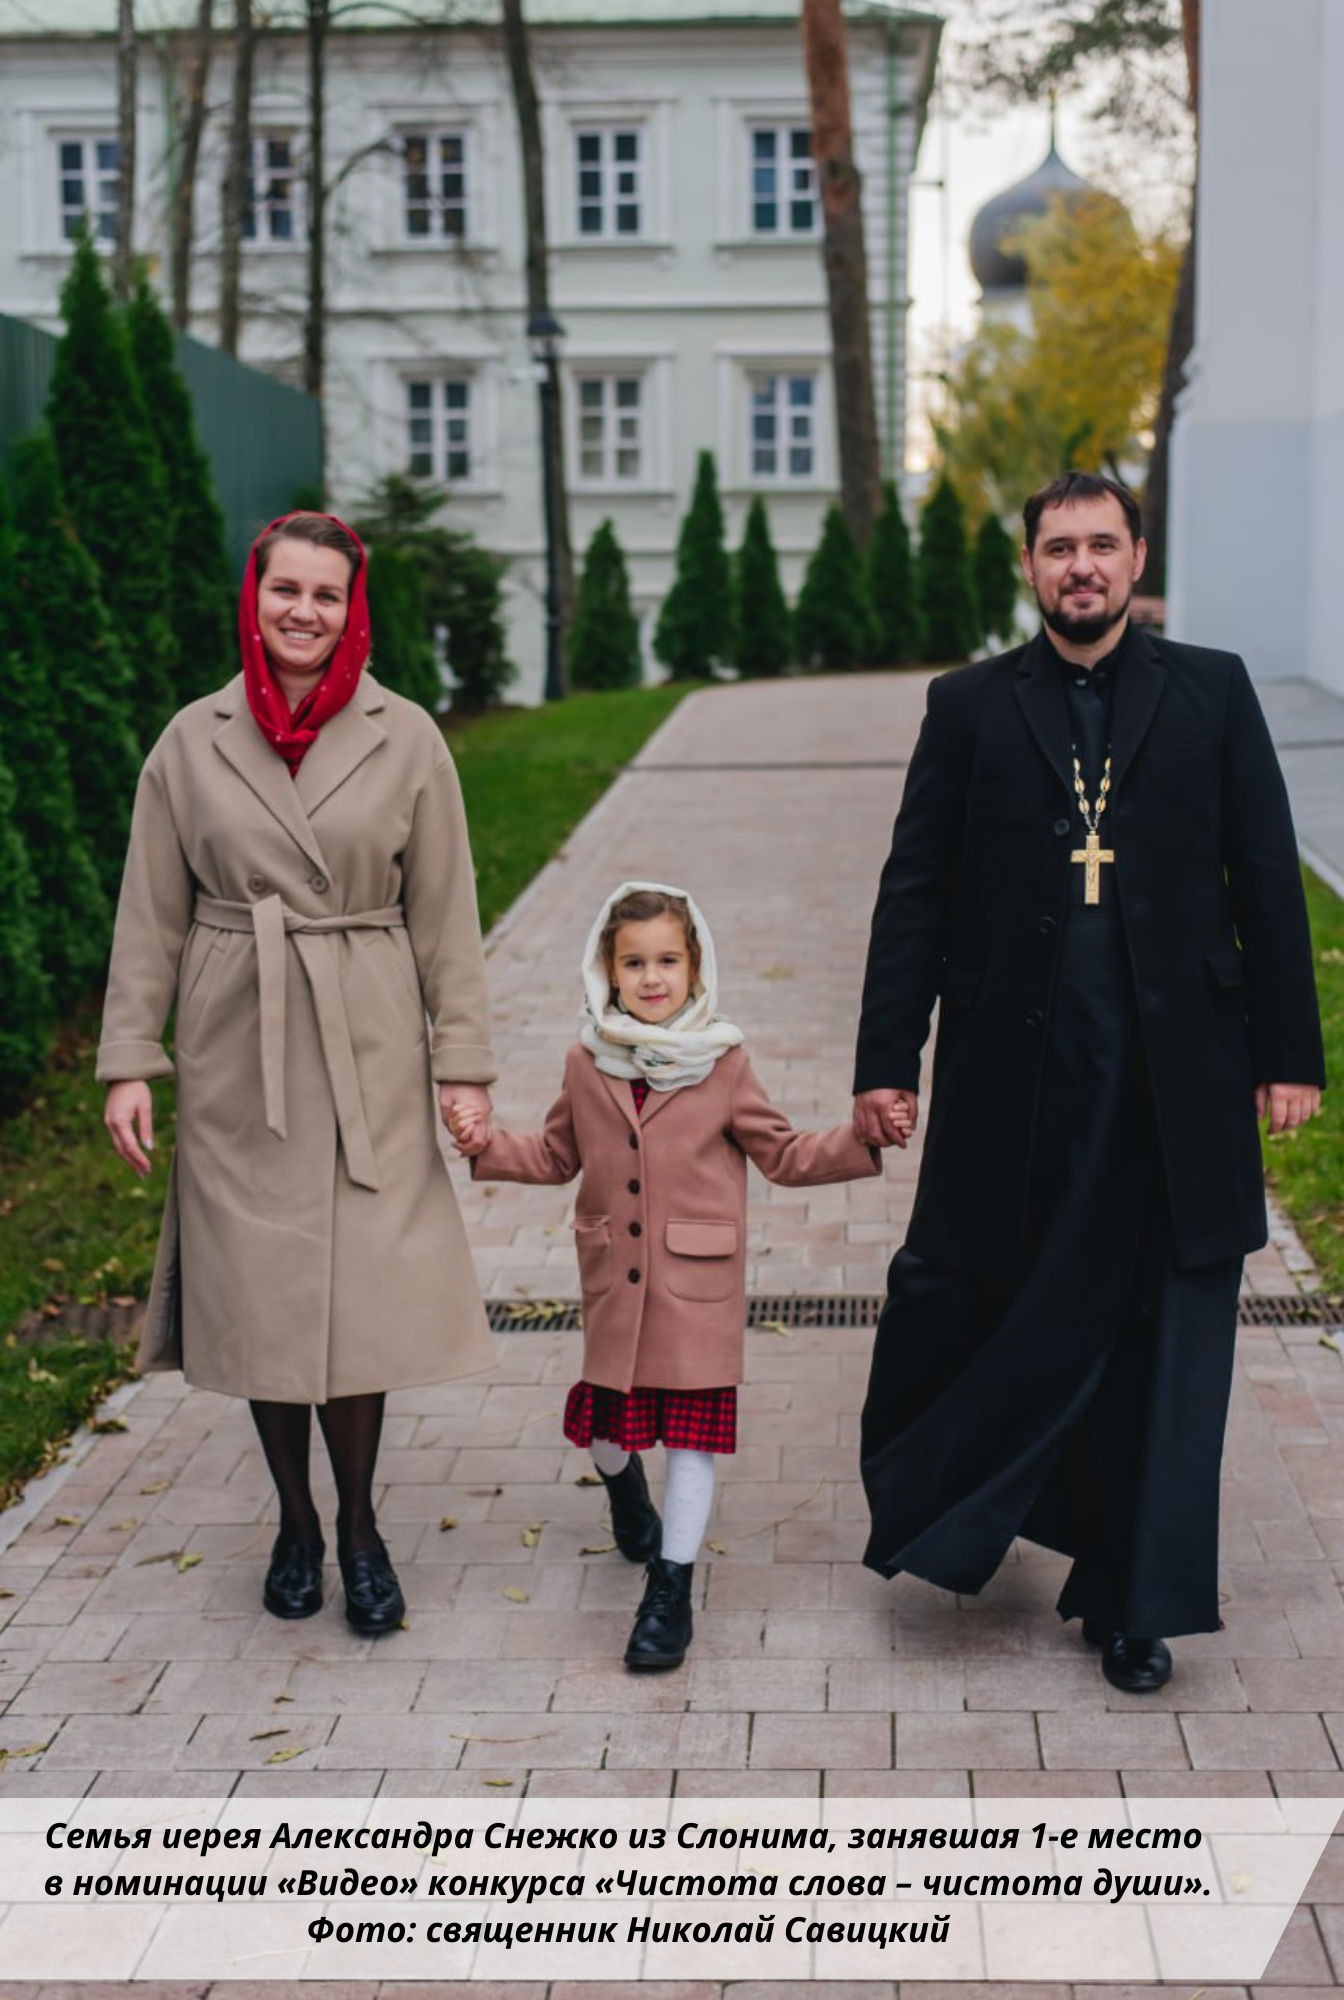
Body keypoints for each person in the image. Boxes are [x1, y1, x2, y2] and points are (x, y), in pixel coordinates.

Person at [852, 472, 1325, 1693]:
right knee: (1002, 1308)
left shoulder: (1212, 689)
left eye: (1101, 544)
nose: (1082, 566)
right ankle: (973, 1504)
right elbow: (914, 893)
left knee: (1169, 1338)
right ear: (1030, 566)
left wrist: (1289, 1052)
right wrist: (884, 1062)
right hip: (1023, 1081)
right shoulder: (968, 705)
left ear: (1136, 557)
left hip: (1182, 1079)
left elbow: (1267, 874)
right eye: (1059, 546)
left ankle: (1135, 1601)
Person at [99, 510, 497, 1637]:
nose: (304, 612)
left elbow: (448, 913)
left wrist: (463, 1063)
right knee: (263, 1298)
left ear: (351, 607)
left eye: (328, 594)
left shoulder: (406, 735)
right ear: (255, 595)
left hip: (367, 1030)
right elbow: (149, 913)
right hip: (240, 1042)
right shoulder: (192, 738)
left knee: (358, 1295)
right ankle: (295, 1522)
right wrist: (130, 1060)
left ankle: (360, 1528)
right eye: (287, 590)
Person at [449, 882, 889, 1670]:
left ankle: (670, 1590)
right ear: (608, 972)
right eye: (634, 963)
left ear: (695, 967)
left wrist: (861, 1139)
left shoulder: (723, 1062)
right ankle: (625, 1493)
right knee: (605, 1432)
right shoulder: (586, 1061)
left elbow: (783, 1154)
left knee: (690, 1438)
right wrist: (483, 1145)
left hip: (696, 1287)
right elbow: (554, 1154)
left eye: (667, 961)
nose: (652, 978)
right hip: (615, 1282)